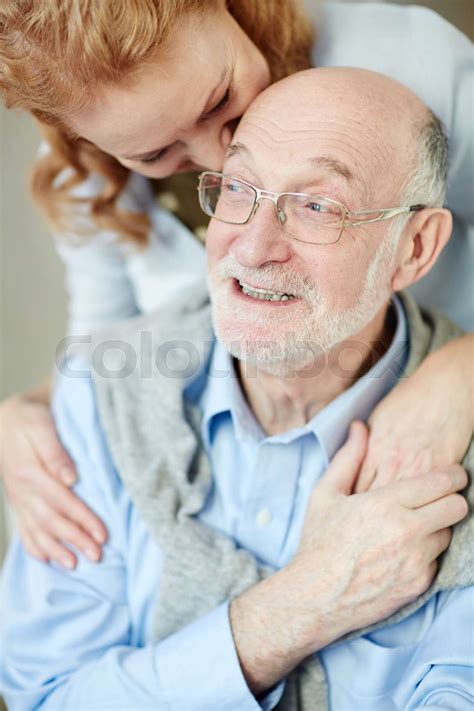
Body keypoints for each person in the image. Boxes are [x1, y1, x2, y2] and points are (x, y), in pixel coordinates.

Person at [2, 67, 472, 711]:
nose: (251, 248)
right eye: (239, 188)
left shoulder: (458, 447)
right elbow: (46, 697)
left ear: (414, 249)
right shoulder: (99, 392)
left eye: (317, 206)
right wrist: (306, 601)